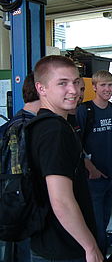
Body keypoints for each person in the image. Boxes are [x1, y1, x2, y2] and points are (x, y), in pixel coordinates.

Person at [30, 55, 102, 262]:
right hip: (63, 248)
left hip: (46, 243)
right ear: (41, 88)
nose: (74, 90)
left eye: (76, 82)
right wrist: (90, 247)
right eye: (62, 83)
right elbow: (61, 200)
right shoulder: (54, 131)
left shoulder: (42, 125)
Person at [76, 70, 112, 255]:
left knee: (104, 219)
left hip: (111, 174)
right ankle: (97, 254)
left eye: (110, 85)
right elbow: (76, 142)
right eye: (103, 85)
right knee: (95, 223)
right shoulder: (84, 110)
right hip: (93, 178)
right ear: (94, 87)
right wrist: (90, 167)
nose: (107, 89)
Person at [1, 73, 40, 262]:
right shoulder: (26, 128)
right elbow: (21, 180)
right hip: (27, 217)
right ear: (42, 89)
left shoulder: (16, 123)